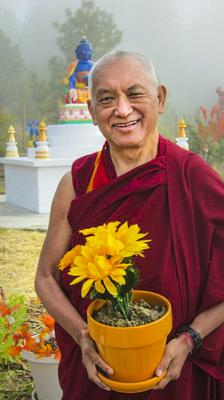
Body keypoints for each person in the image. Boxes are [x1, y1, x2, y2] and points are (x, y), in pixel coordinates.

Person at [35, 51, 224, 400]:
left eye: (135, 94)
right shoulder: (78, 183)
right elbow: (45, 277)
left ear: (160, 98)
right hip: (98, 373)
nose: (122, 110)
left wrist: (190, 339)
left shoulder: (193, 178)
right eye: (106, 99)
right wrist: (83, 337)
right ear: (92, 112)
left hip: (176, 373)